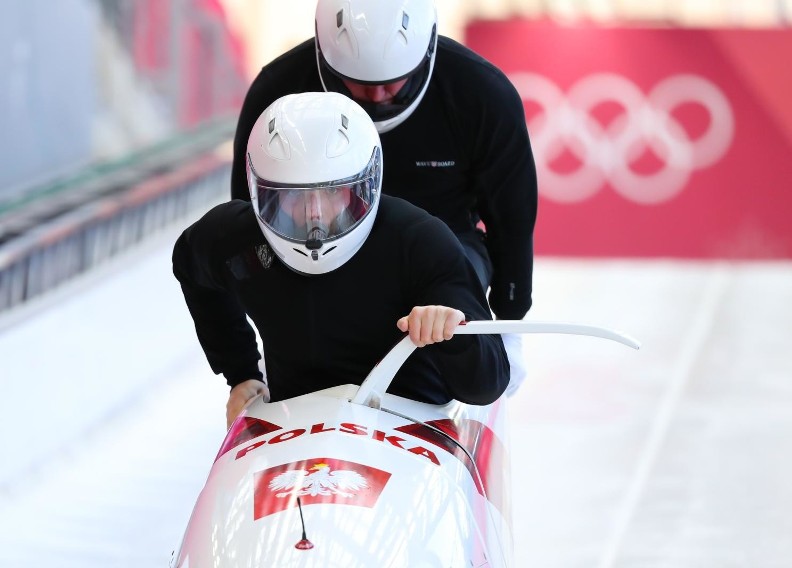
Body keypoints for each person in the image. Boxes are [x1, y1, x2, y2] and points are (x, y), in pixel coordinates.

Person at [229, 0, 537, 394]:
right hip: (320, 240)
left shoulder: (480, 94)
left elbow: (511, 216)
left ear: (424, 53)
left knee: (447, 290)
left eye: (394, 80)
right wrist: (245, 366)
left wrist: (510, 320)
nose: (376, 95)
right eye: (357, 81)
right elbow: (250, 215)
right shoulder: (279, 91)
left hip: (443, 248)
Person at [173, 92, 509, 427]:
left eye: (333, 191)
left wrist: (450, 333)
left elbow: (487, 384)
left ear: (365, 184)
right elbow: (189, 262)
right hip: (293, 429)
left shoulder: (419, 242)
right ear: (261, 190)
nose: (314, 214)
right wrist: (240, 372)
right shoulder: (236, 240)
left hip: (410, 423)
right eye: (293, 195)